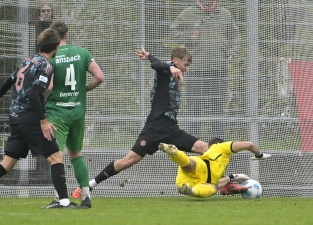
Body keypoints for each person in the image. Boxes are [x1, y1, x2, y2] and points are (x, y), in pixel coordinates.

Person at [72, 45, 211, 197]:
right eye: (185, 65)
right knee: (129, 160)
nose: (187, 69)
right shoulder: (165, 69)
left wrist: (153, 57)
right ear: (175, 60)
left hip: (171, 129)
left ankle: (220, 182)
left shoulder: (174, 72)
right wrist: (168, 66)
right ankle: (89, 185)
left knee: (205, 148)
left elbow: (158, 64)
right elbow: (157, 65)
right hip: (154, 128)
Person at [0, 28, 80, 210]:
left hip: (16, 119)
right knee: (56, 157)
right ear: (56, 47)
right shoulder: (46, 66)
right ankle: (65, 202)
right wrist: (43, 121)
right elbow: (35, 94)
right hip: (31, 119)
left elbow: (11, 79)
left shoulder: (27, 60)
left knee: (7, 164)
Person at [42, 21, 104, 209]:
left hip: (57, 113)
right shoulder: (82, 53)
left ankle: (60, 198)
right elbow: (100, 77)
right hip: (77, 111)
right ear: (66, 35)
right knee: (76, 154)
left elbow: (50, 86)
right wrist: (83, 90)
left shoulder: (51, 56)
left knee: (55, 155)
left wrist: (42, 101)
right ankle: (86, 197)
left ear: (52, 36)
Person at [169, 0, 240, 140]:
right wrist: (189, 36)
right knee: (194, 107)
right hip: (196, 69)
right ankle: (193, 144)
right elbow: (174, 32)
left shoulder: (224, 14)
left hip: (219, 69)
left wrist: (232, 52)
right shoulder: (188, 13)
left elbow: (235, 36)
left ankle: (218, 145)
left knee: (218, 108)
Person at [158, 137, 271, 198]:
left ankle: (175, 154)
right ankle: (190, 190)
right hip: (204, 169)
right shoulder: (220, 147)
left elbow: (216, 184)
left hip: (185, 181)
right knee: (209, 187)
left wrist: (232, 177)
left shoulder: (220, 165)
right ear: (219, 143)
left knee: (189, 166)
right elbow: (249, 145)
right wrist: (259, 155)